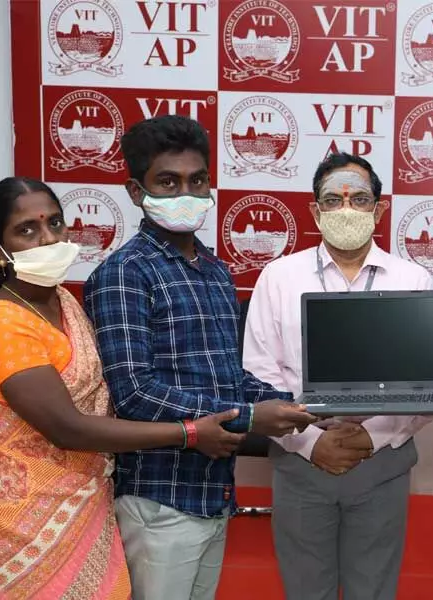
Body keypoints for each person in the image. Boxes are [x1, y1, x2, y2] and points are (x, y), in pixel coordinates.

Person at [0, 176, 248, 600]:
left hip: (85, 504)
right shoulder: (2, 321)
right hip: (21, 522)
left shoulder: (64, 302)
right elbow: (68, 428)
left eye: (55, 224)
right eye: (26, 230)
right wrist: (189, 433)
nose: (47, 238)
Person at [82, 115, 316, 600]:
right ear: (134, 190)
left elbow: (230, 376)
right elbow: (133, 392)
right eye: (167, 182)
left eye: (197, 180)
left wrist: (300, 405)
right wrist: (253, 416)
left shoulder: (213, 270)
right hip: (158, 496)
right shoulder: (124, 274)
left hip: (213, 491)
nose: (184, 193)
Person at [242, 151, 433, 600]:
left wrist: (375, 437)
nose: (346, 210)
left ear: (379, 209)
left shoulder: (414, 280)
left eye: (360, 199)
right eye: (333, 200)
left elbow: (425, 382)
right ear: (315, 211)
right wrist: (309, 443)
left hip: (382, 462)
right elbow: (259, 373)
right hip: (299, 458)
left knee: (374, 590)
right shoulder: (278, 277)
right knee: (306, 590)